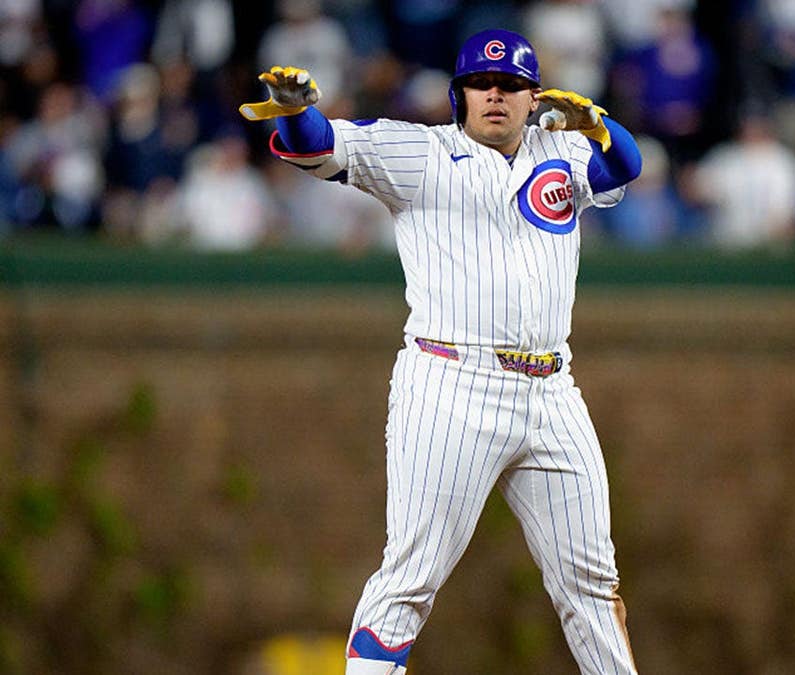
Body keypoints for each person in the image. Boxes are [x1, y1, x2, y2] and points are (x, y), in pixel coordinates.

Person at [239, 28, 642, 675]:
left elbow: (624, 167)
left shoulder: (562, 152)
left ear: (533, 96)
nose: (495, 95)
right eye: (481, 84)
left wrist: (600, 125)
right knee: (411, 575)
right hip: (453, 382)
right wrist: (296, 112)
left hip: (552, 389)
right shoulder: (420, 151)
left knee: (592, 582)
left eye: (510, 85)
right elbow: (319, 145)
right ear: (459, 95)